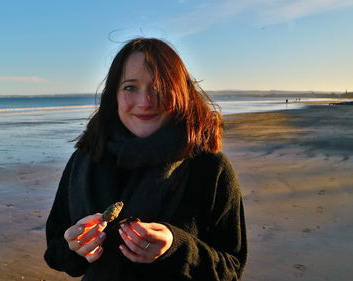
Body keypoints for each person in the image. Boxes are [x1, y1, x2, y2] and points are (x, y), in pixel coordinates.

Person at [44, 37, 247, 281]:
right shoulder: (84, 160)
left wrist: (177, 247)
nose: (145, 101)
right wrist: (74, 247)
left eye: (160, 87)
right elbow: (56, 255)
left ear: (181, 93)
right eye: (130, 87)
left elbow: (232, 268)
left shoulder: (210, 169)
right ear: (114, 95)